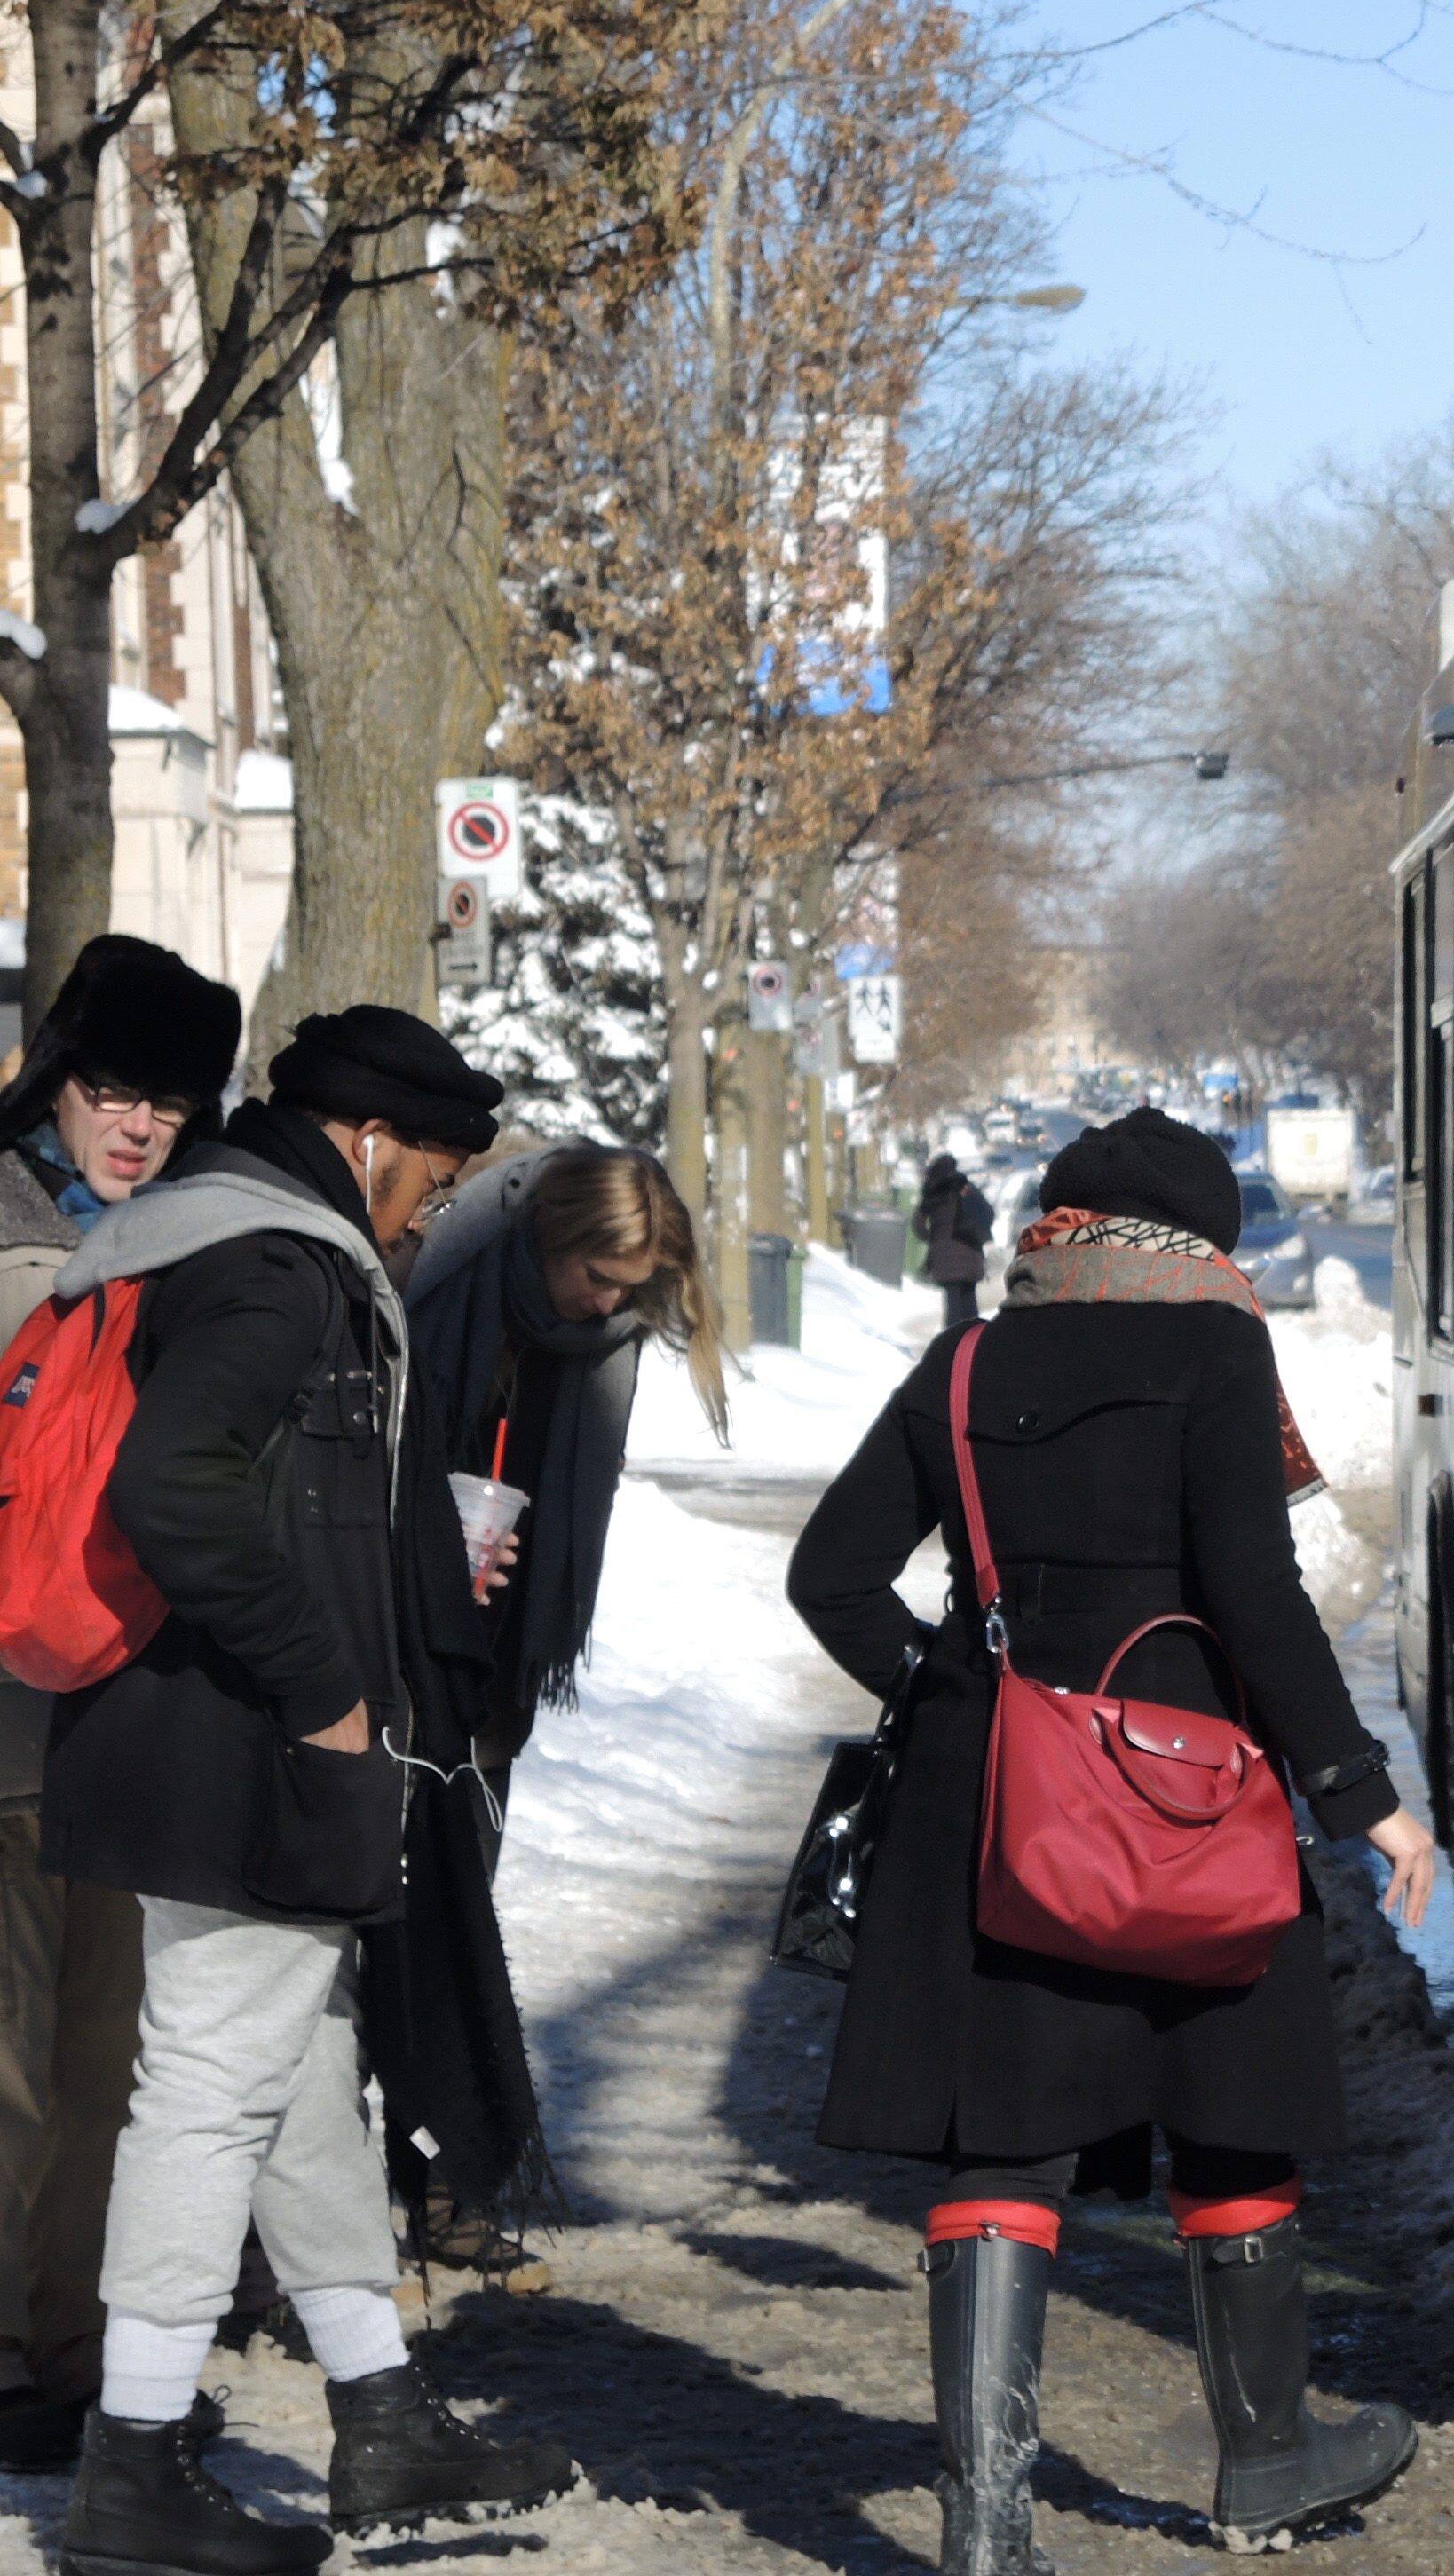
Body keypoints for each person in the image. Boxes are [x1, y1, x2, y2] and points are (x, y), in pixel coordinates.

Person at [788, 1106, 1439, 2568]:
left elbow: (831, 1575)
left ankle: (989, 2530)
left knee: (999, 2135)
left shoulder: (964, 1364)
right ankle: (1269, 2456)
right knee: (1233, 2099)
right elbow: (1256, 1599)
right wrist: (1359, 1791)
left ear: (1052, 1231)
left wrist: (953, 1689)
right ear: (1204, 1243)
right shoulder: (1216, 1351)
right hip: (1193, 1791)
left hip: (998, 1800)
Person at [47, 1007, 573, 2574]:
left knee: (292, 2064)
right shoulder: (280, 1266)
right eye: (432, 1174)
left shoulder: (186, 1230)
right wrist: (326, 1685)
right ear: (367, 1141)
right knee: (212, 2087)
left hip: (169, 1731)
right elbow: (173, 1483)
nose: (428, 1209)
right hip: (238, 1745)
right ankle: (128, 2471)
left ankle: (381, 2411)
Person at [386, 1142, 725, 2280]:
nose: (613, 1303)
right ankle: (318, 2219)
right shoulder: (442, 1293)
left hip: (493, 1678)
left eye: (632, 1287)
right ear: (546, 1243)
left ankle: (442, 2184)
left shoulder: (601, 1344)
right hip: (389, 1665)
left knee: (459, 1937)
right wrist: (432, 1547)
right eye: (600, 1275)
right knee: (368, 1946)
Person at [0, 939, 240, 2474]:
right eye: (111, 1089)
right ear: (55, 1079)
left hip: (108, 1719)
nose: (137, 1124)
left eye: (168, 1099)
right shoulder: (23, 1232)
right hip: (12, 1722)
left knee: (97, 2059)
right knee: (23, 2062)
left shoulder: (177, 1239)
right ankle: (26, 2356)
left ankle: (61, 2349)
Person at [914, 1153, 992, 1329]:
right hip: (971, 1253)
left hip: (945, 1259)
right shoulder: (967, 1188)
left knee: (953, 1309)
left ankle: (953, 1348)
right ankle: (973, 1346)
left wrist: (934, 1238)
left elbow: (918, 1225)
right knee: (970, 1306)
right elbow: (988, 1212)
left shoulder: (933, 1192)